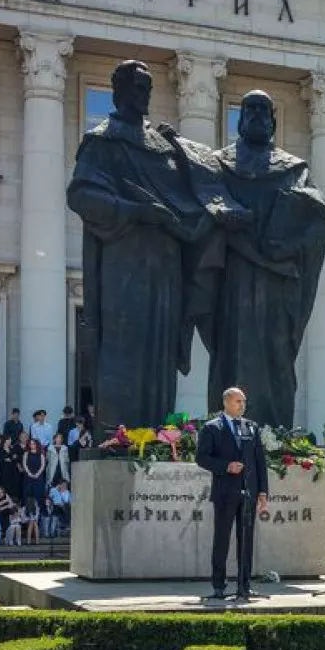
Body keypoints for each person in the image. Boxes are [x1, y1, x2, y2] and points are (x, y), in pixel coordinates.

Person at [68, 59, 215, 428]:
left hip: (165, 264)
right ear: (116, 92)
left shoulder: (163, 144)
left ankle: (158, 435)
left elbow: (191, 194)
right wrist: (136, 210)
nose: (143, 95)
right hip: (124, 261)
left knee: (160, 350)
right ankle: (120, 435)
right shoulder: (102, 140)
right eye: (136, 87)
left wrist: (181, 153)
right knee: (125, 345)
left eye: (147, 88)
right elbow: (82, 195)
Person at [201, 91, 325, 428]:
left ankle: (275, 434)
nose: (258, 115)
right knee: (231, 351)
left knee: (277, 353)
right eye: (251, 109)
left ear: (274, 121)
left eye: (265, 109)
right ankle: (228, 430)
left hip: (278, 281)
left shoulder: (294, 169)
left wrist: (289, 245)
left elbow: (321, 221)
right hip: (233, 276)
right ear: (240, 119)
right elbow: (202, 206)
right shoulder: (218, 165)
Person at [197, 387, 268, 599]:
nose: (242, 405)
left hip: (249, 492)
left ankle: (244, 585)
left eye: (244, 401)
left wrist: (263, 491)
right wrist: (226, 466)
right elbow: (201, 458)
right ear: (226, 402)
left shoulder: (251, 427)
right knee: (222, 538)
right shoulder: (212, 428)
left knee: (246, 539)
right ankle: (219, 585)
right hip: (225, 492)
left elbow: (259, 462)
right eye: (238, 401)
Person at [22, 438, 46, 502]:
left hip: (38, 476)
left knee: (38, 493)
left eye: (33, 444)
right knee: (27, 493)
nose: (32, 445)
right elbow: (24, 464)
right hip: (28, 476)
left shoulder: (41, 454)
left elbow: (43, 465)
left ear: (37, 445)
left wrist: (37, 474)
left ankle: (39, 508)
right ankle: (27, 509)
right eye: (31, 444)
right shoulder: (26, 453)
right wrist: (29, 473)